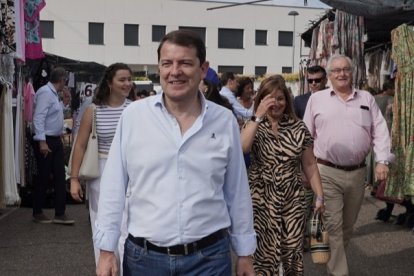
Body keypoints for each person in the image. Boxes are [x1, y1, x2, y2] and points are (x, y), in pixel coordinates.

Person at [94, 29, 256, 276]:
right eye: (167, 63)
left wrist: (245, 252)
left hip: (209, 259)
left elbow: (236, 191)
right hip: (144, 260)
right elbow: (113, 186)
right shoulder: (134, 117)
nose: (175, 71)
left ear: (203, 69)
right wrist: (106, 250)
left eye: (185, 63)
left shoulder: (223, 121)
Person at [303, 54, 392, 276]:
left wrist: (382, 160)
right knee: (333, 224)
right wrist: (304, 170)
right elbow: (305, 137)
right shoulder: (317, 100)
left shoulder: (366, 98)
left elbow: (380, 130)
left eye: (346, 69)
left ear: (353, 73)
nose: (342, 74)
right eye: (336, 70)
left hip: (357, 173)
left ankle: (332, 259)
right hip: (327, 171)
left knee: (347, 226)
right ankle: (340, 272)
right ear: (329, 76)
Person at [241, 75, 324, 275]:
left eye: (280, 98)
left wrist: (320, 196)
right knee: (263, 253)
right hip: (261, 199)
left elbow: (310, 164)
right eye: (269, 98)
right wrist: (257, 116)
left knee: (292, 252)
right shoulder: (253, 124)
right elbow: (242, 147)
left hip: (292, 198)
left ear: (287, 101)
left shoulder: (298, 127)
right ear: (260, 99)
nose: (275, 103)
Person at [70, 63, 133, 266]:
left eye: (129, 79)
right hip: (102, 168)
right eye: (122, 79)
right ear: (109, 83)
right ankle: (104, 267)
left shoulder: (134, 109)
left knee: (127, 225)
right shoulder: (93, 110)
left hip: (129, 169)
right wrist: (74, 179)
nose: (127, 83)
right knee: (101, 223)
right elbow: (79, 145)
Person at [32, 67, 74, 225]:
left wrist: (65, 104)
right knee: (44, 177)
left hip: (54, 139)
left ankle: (60, 212)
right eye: (65, 80)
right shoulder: (45, 92)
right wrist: (42, 141)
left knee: (59, 176)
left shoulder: (53, 94)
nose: (66, 84)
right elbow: (39, 117)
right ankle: (37, 211)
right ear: (62, 79)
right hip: (47, 140)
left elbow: (53, 115)